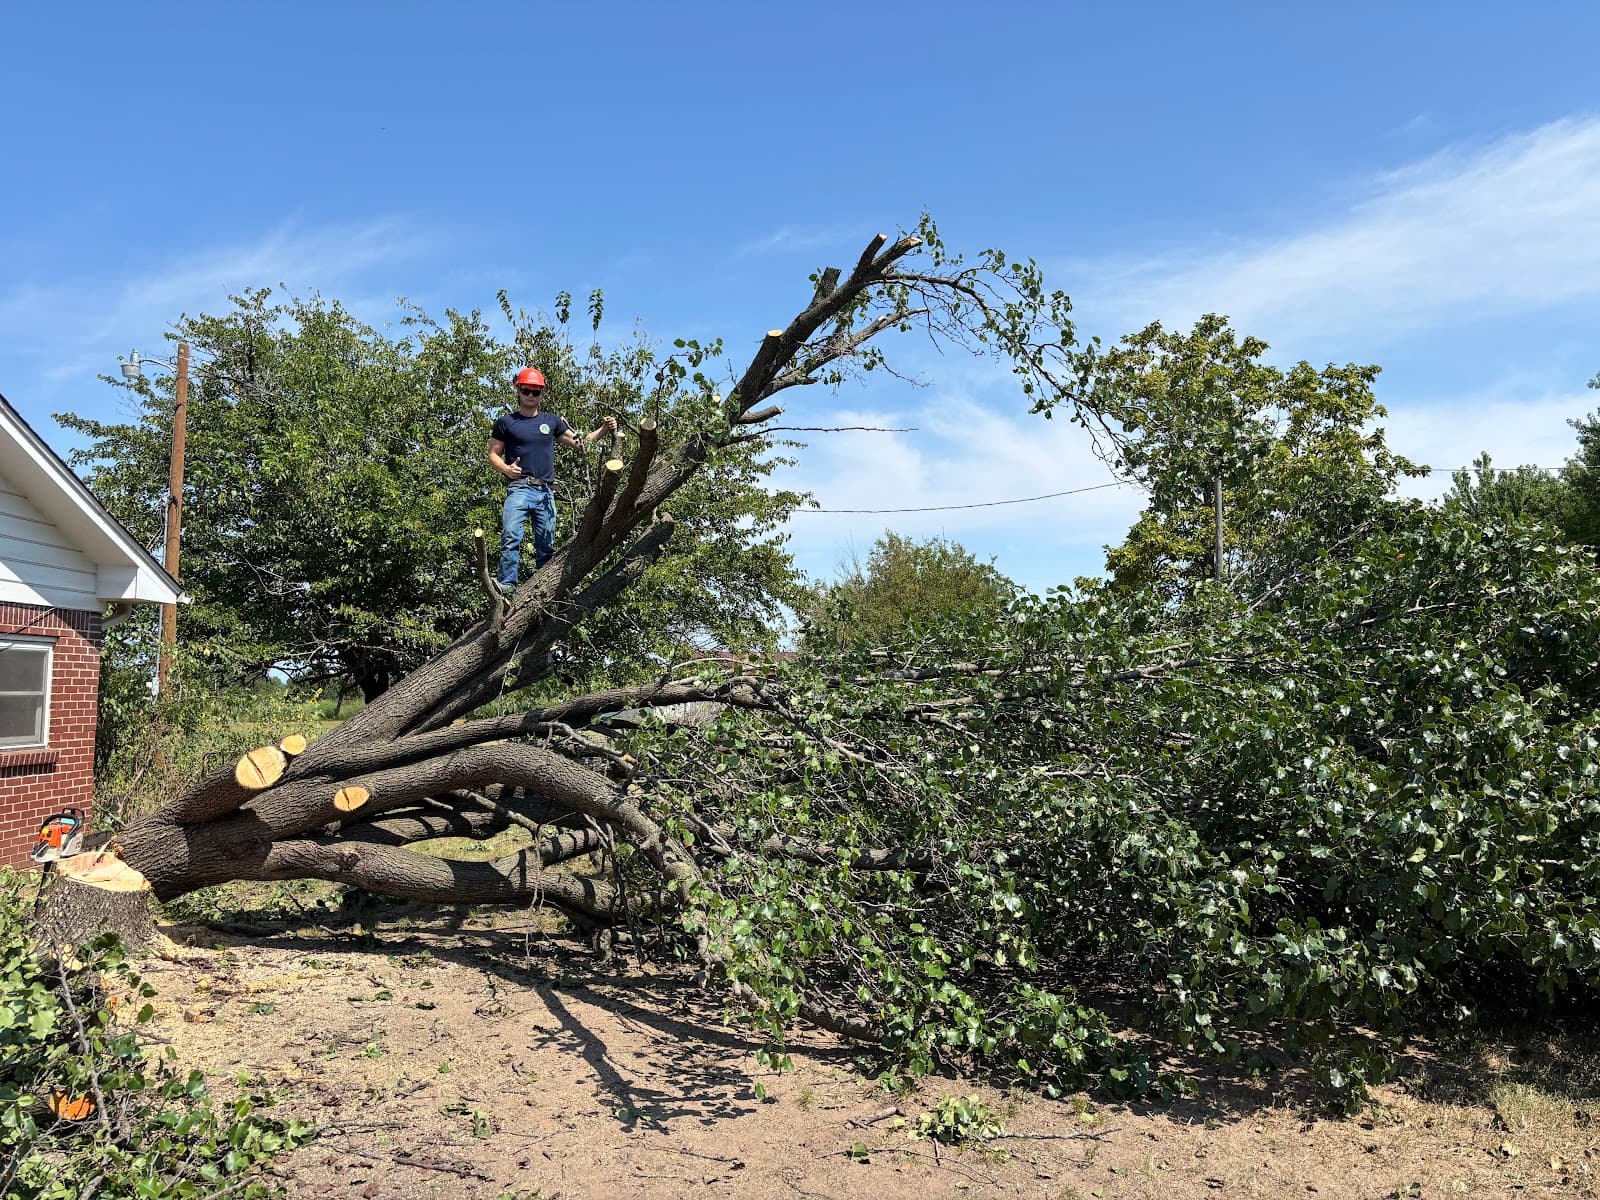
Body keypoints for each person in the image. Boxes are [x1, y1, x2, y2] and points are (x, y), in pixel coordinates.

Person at [489, 367, 617, 588]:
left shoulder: (551, 421)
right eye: (526, 390)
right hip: (519, 487)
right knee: (511, 536)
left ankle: (541, 592)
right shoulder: (506, 422)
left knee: (546, 545)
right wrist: (506, 469)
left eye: (536, 391)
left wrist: (604, 428)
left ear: (541, 393)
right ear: (518, 390)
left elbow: (580, 444)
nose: (531, 395)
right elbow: (493, 454)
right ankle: (507, 586)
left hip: (546, 492)